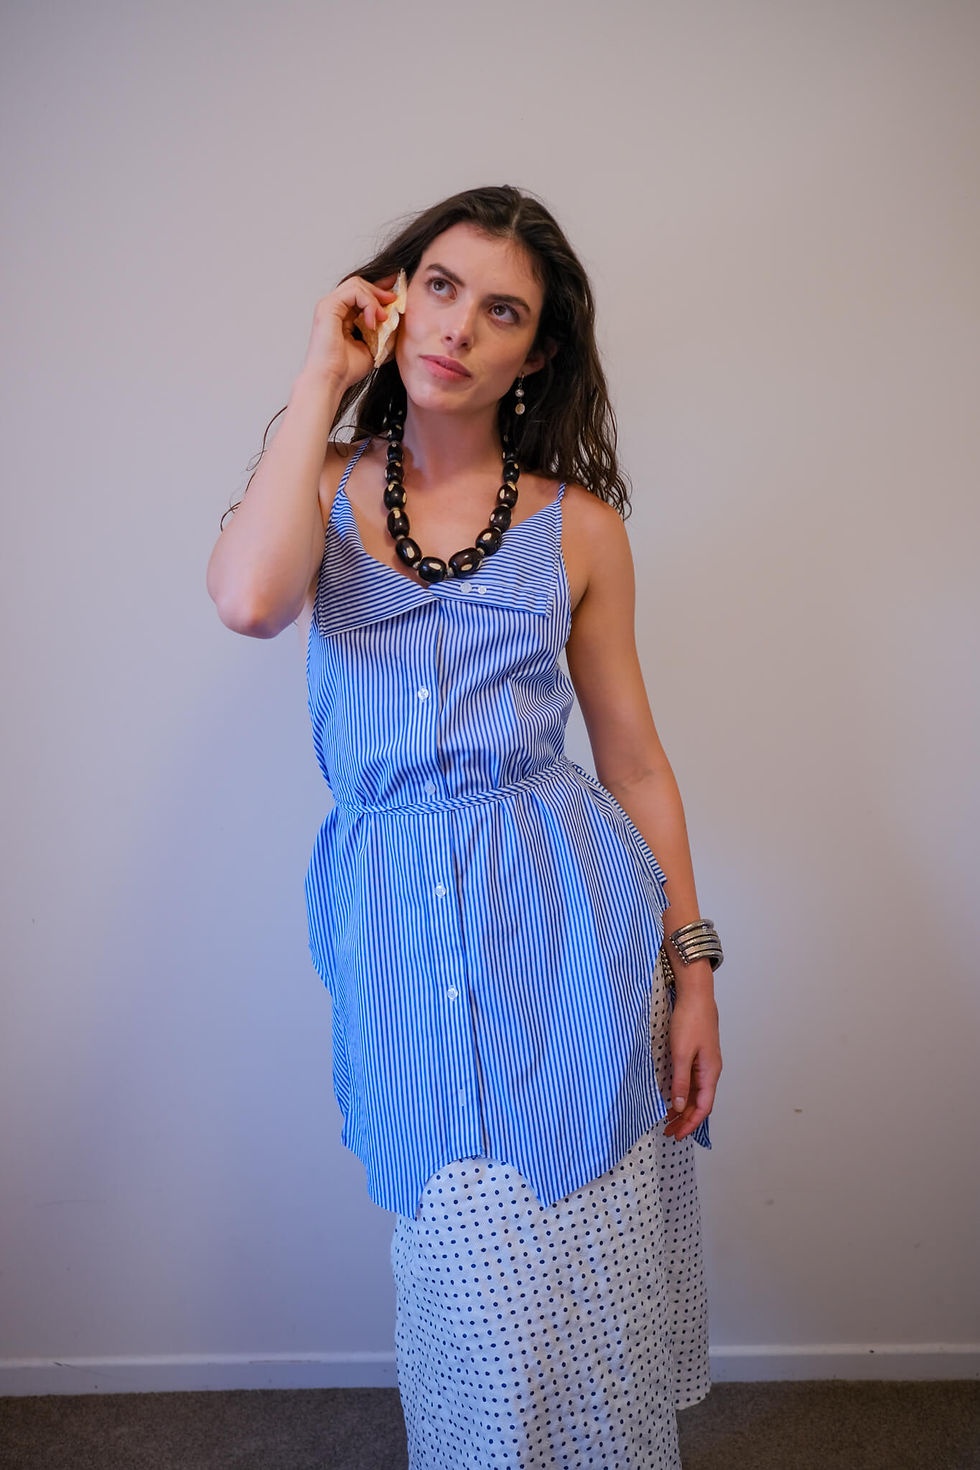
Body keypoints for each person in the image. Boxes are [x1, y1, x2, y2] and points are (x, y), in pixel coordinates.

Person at [207, 184, 722, 1469]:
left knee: (586, 1256)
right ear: (390, 300)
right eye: (438, 287)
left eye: (501, 312)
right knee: (465, 1272)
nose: (456, 328)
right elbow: (249, 603)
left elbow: (634, 764)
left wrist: (693, 970)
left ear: (533, 355)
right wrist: (320, 375)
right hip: (396, 930)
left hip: (567, 926)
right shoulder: (319, 484)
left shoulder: (579, 530)